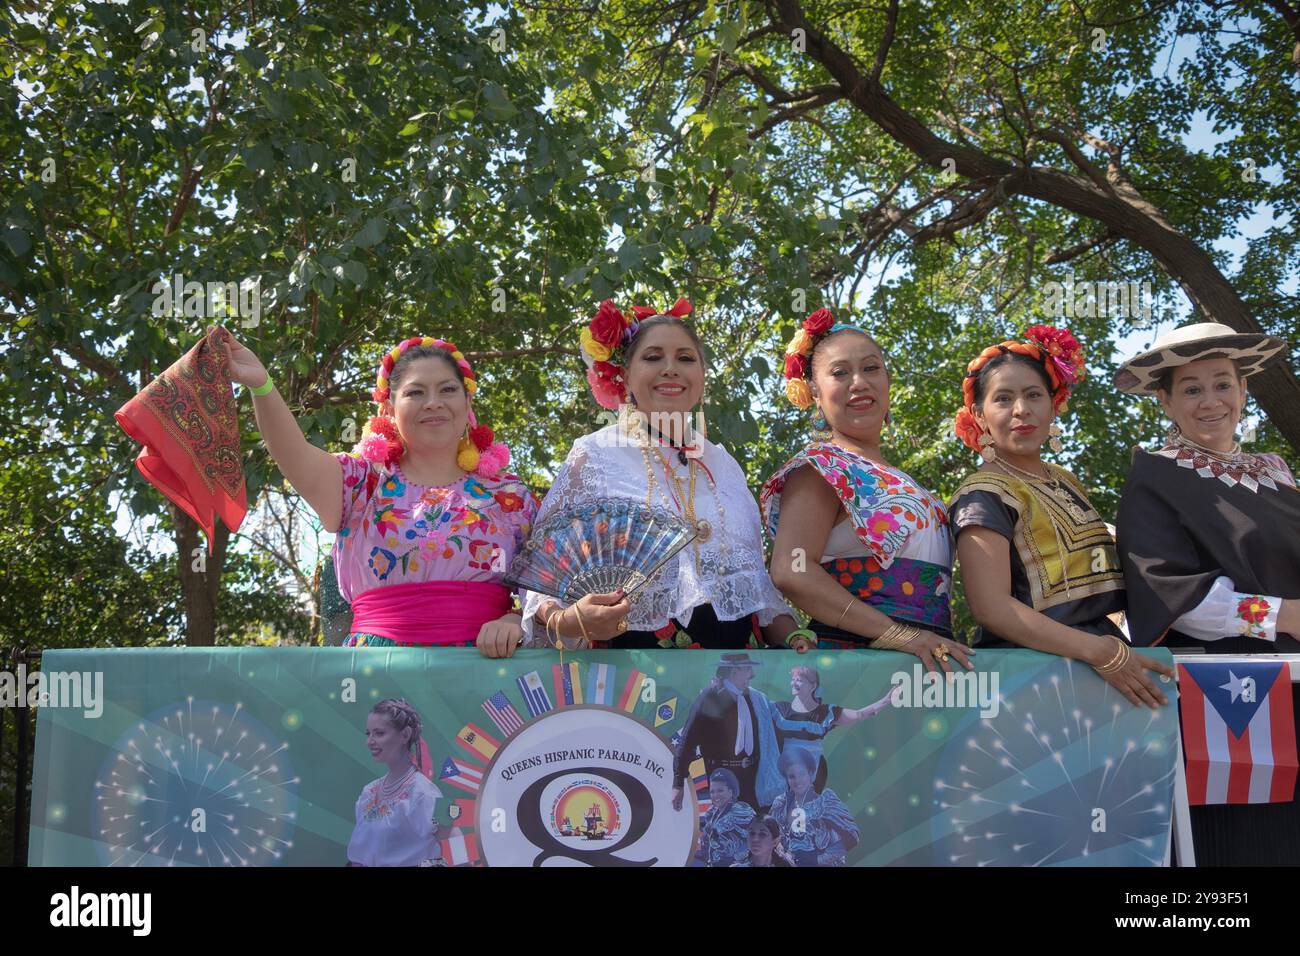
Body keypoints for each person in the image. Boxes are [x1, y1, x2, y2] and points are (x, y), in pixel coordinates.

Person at [223, 331, 538, 652]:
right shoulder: (360, 482)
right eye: (415, 392)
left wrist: (515, 619)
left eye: (448, 389)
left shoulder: (510, 496)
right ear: (388, 409)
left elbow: (547, 592)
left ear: (467, 402)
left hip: (483, 672)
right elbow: (293, 453)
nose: (434, 403)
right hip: (375, 672)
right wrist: (261, 385)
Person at [1115, 321, 1300, 865]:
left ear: (1244, 391)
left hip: (1296, 679)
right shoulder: (1153, 475)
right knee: (1243, 843)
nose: (1210, 401)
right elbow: (1172, 592)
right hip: (1228, 692)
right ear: (1166, 402)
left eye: (1223, 384)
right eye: (1191, 389)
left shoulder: (1276, 472)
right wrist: (1286, 615)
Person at [520, 298, 801, 650]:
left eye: (685, 358)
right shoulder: (595, 454)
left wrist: (795, 636)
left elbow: (754, 588)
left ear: (702, 375)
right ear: (624, 376)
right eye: (653, 357)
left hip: (731, 678)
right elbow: (540, 576)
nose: (670, 368)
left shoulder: (724, 465)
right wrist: (569, 620)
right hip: (631, 676)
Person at [948, 325, 1172, 708]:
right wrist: (1101, 653)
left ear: (1055, 405)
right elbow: (991, 607)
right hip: (1031, 674)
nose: (1021, 410)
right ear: (980, 415)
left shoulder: (1065, 480)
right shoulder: (982, 492)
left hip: (1103, 661)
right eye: (1003, 399)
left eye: (1034, 395)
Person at [763, 309, 969, 671]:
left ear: (888, 381)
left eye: (871, 368)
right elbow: (789, 571)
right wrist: (897, 635)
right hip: (856, 665)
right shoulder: (821, 467)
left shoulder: (909, 483)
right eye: (840, 373)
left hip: (929, 658)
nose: (858, 382)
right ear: (814, 391)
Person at [672, 653, 782, 811]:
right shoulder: (710, 697)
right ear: (733, 671)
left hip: (753, 778)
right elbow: (688, 739)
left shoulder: (755, 699)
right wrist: (678, 783)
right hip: (722, 777)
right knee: (726, 825)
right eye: (747, 669)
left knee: (752, 824)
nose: (752, 674)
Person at [347, 699, 443, 866]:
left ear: (405, 735)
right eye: (368, 733)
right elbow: (359, 857)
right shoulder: (368, 792)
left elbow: (453, 838)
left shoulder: (423, 794)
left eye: (379, 733)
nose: (369, 741)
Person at [772, 666, 897, 792]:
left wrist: (885, 701)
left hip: (813, 774)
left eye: (799, 680)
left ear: (813, 686)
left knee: (808, 808)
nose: (794, 683)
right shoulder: (780, 709)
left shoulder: (825, 713)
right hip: (785, 774)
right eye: (793, 679)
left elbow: (859, 714)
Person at [768, 747, 859, 866]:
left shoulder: (825, 801)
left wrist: (819, 860)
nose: (797, 781)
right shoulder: (780, 803)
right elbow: (770, 837)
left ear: (811, 774)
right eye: (792, 776)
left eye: (801, 774)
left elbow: (852, 837)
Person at [696, 768, 756, 866]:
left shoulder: (742, 810)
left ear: (731, 791)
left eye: (720, 790)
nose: (715, 795)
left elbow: (754, 841)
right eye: (712, 791)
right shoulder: (711, 813)